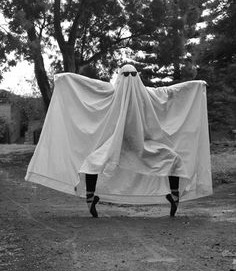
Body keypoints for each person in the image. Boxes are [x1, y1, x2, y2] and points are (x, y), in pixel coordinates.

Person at [25, 64, 212, 218]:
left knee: (173, 159)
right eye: (126, 75)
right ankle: (91, 197)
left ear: (136, 77)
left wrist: (197, 85)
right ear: (121, 77)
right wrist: (65, 79)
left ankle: (174, 195)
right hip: (115, 146)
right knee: (92, 162)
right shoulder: (116, 93)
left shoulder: (145, 94)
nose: (129, 80)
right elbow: (87, 85)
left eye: (132, 75)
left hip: (143, 146)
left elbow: (172, 92)